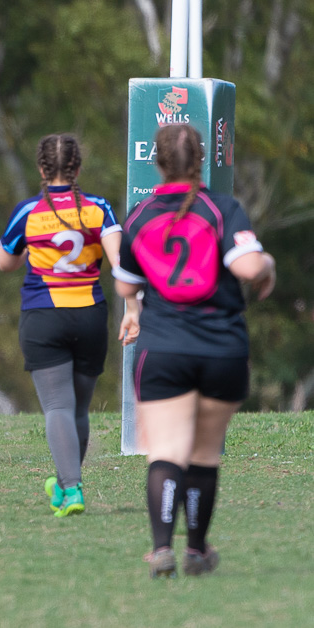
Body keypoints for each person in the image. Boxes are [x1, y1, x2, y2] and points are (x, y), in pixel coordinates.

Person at [114, 124, 275, 579]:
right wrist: (268, 266)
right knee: (204, 453)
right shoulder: (223, 208)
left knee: (166, 451)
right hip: (222, 349)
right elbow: (246, 265)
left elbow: (127, 284)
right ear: (203, 160)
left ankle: (162, 547)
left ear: (157, 162)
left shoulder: (140, 214)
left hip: (163, 349)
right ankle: (198, 551)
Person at [0, 133, 121, 517]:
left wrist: (31, 254)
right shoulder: (99, 208)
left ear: (41, 169)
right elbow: (120, 265)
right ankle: (67, 482)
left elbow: (5, 263)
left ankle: (71, 489)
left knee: (56, 407)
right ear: (78, 169)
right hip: (89, 315)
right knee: (78, 410)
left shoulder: (28, 212)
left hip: (44, 316)